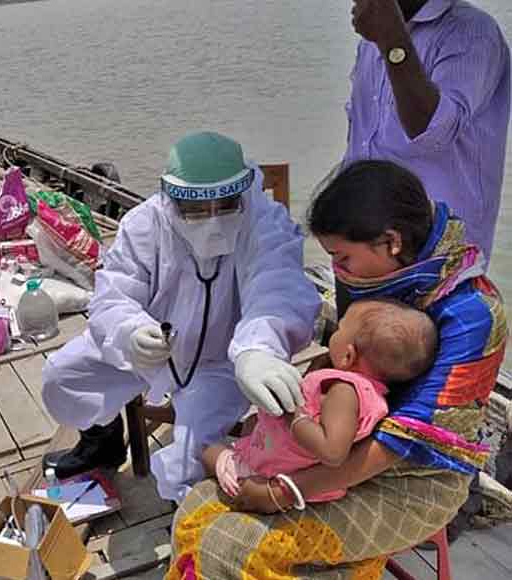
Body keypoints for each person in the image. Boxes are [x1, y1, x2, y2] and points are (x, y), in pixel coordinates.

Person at [167, 160, 507, 580]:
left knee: (240, 542)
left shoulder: (473, 314)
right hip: (331, 444)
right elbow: (337, 364)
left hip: (409, 478)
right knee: (201, 501)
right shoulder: (378, 274)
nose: (339, 273)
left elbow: (404, 441)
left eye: (343, 258)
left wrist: (283, 491)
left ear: (391, 241)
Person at [41, 132, 321, 502]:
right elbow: (113, 294)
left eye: (224, 206)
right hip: (151, 349)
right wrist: (131, 333)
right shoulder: (145, 224)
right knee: (63, 376)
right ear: (172, 200)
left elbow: (278, 287)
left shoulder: (264, 222)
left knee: (194, 452)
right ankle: (103, 442)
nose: (211, 219)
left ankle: (187, 514)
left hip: (223, 361)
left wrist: (259, 348)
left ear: (242, 195)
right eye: (195, 210)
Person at [206, 298, 437, 504]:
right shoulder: (363, 391)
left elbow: (332, 452)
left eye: (340, 328)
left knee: (208, 451)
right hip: (278, 455)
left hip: (273, 473)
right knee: (251, 423)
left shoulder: (345, 392)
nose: (332, 333)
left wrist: (292, 413)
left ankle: (234, 483)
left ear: (348, 355)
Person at [344, 0, 510, 261]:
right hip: (367, 241)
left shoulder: (474, 33)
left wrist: (393, 41)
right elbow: (363, 140)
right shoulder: (372, 39)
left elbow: (431, 130)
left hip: (436, 256)